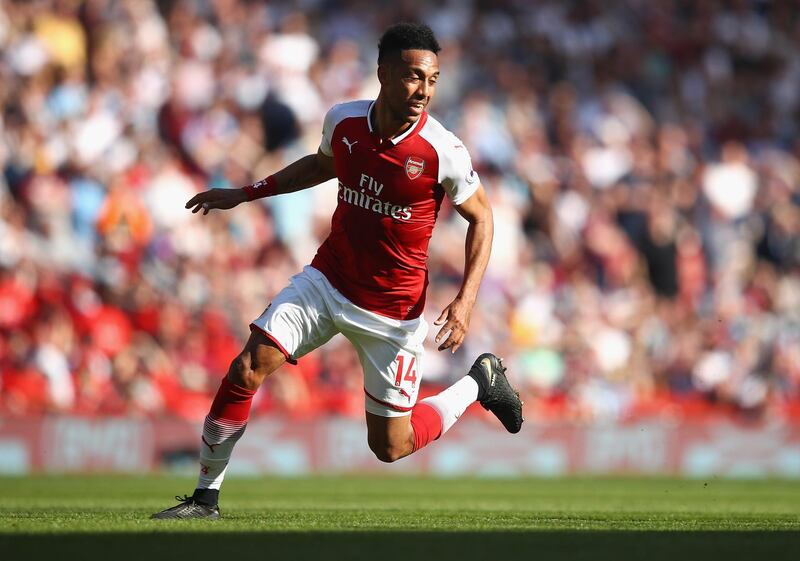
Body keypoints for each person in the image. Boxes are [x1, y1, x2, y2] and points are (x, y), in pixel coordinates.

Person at [151, 22, 523, 520]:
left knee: (391, 447)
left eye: (432, 80)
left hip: (393, 311)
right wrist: (245, 193)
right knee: (247, 366)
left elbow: (482, 216)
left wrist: (466, 300)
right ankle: (205, 498)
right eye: (414, 77)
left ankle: (480, 382)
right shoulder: (344, 121)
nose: (424, 91)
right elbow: (322, 164)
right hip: (326, 282)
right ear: (383, 74)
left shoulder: (443, 151)